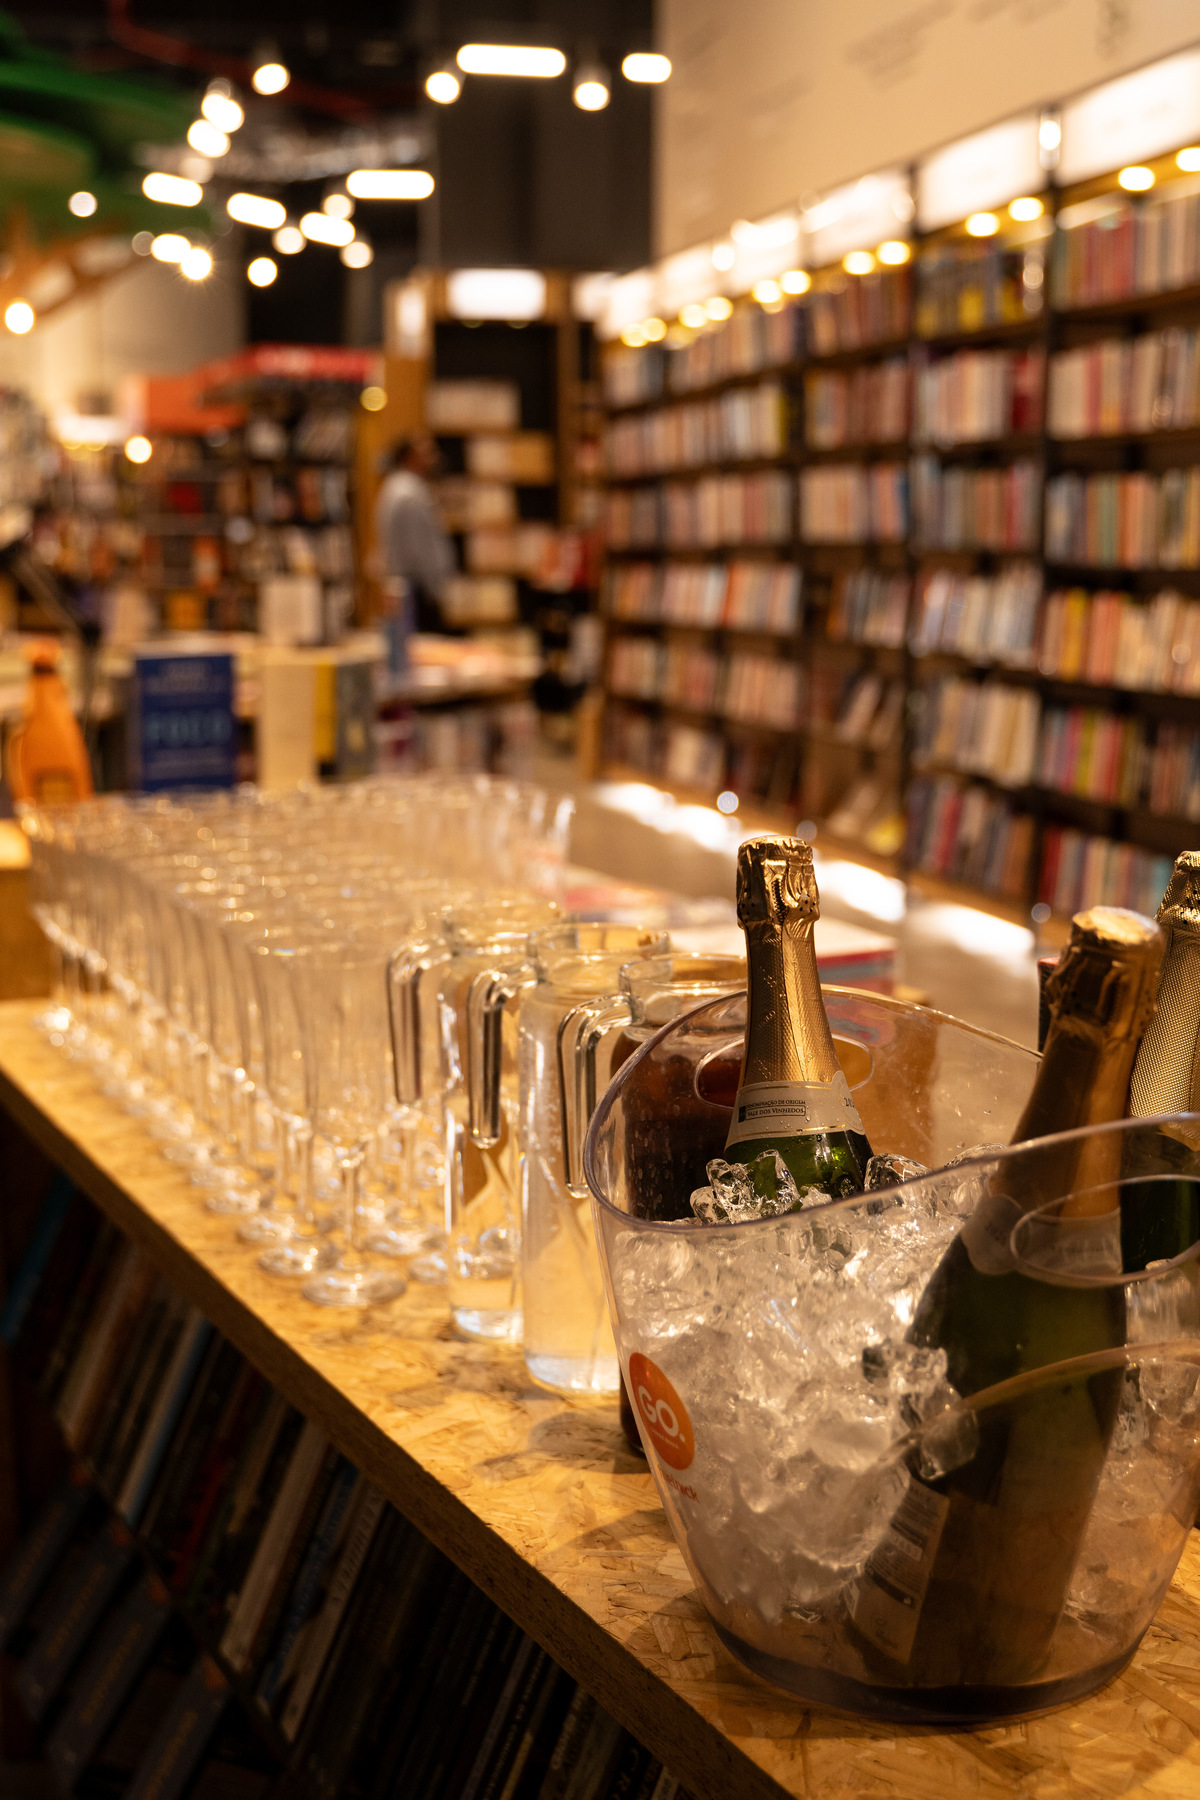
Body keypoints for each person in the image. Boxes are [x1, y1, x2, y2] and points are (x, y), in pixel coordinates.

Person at [373, 435, 455, 637]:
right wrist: (434, 586)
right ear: (410, 457)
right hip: (417, 590)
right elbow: (418, 548)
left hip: (409, 586)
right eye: (427, 453)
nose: (434, 458)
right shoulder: (408, 494)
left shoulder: (395, 488)